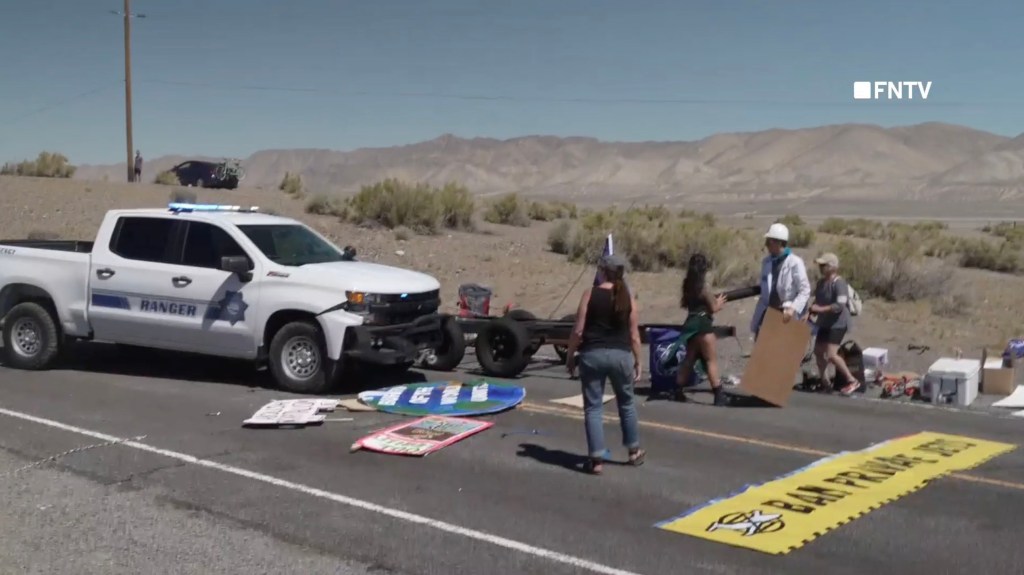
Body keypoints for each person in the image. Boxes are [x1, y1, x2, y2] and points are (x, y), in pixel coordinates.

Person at [565, 254, 644, 475]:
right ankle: (633, 452)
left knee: (593, 407)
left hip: (593, 355)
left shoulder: (590, 294)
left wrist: (570, 356)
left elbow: (578, 330)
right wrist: (639, 361)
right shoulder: (628, 297)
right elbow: (634, 334)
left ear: (602, 271)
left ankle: (597, 459)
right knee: (626, 404)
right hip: (621, 356)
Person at [673, 253, 729, 406]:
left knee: (689, 360)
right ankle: (718, 394)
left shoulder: (687, 285)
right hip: (703, 324)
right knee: (710, 360)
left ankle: (677, 390)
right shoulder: (703, 287)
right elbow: (713, 307)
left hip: (690, 324)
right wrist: (720, 302)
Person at [809, 252, 862, 395]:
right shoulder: (821, 283)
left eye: (823, 265)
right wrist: (812, 310)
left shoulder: (839, 283)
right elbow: (817, 301)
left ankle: (852, 380)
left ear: (832, 267)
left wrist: (819, 309)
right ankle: (824, 381)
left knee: (832, 355)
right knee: (818, 352)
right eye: (820, 265)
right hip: (824, 322)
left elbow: (839, 305)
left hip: (838, 324)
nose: (821, 268)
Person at [749, 222, 811, 339]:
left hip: (785, 312)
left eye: (769, 241)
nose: (766, 244)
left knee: (782, 349)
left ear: (778, 242)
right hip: (768, 311)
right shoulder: (766, 262)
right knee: (762, 344)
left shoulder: (795, 262)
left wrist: (793, 308)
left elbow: (805, 290)